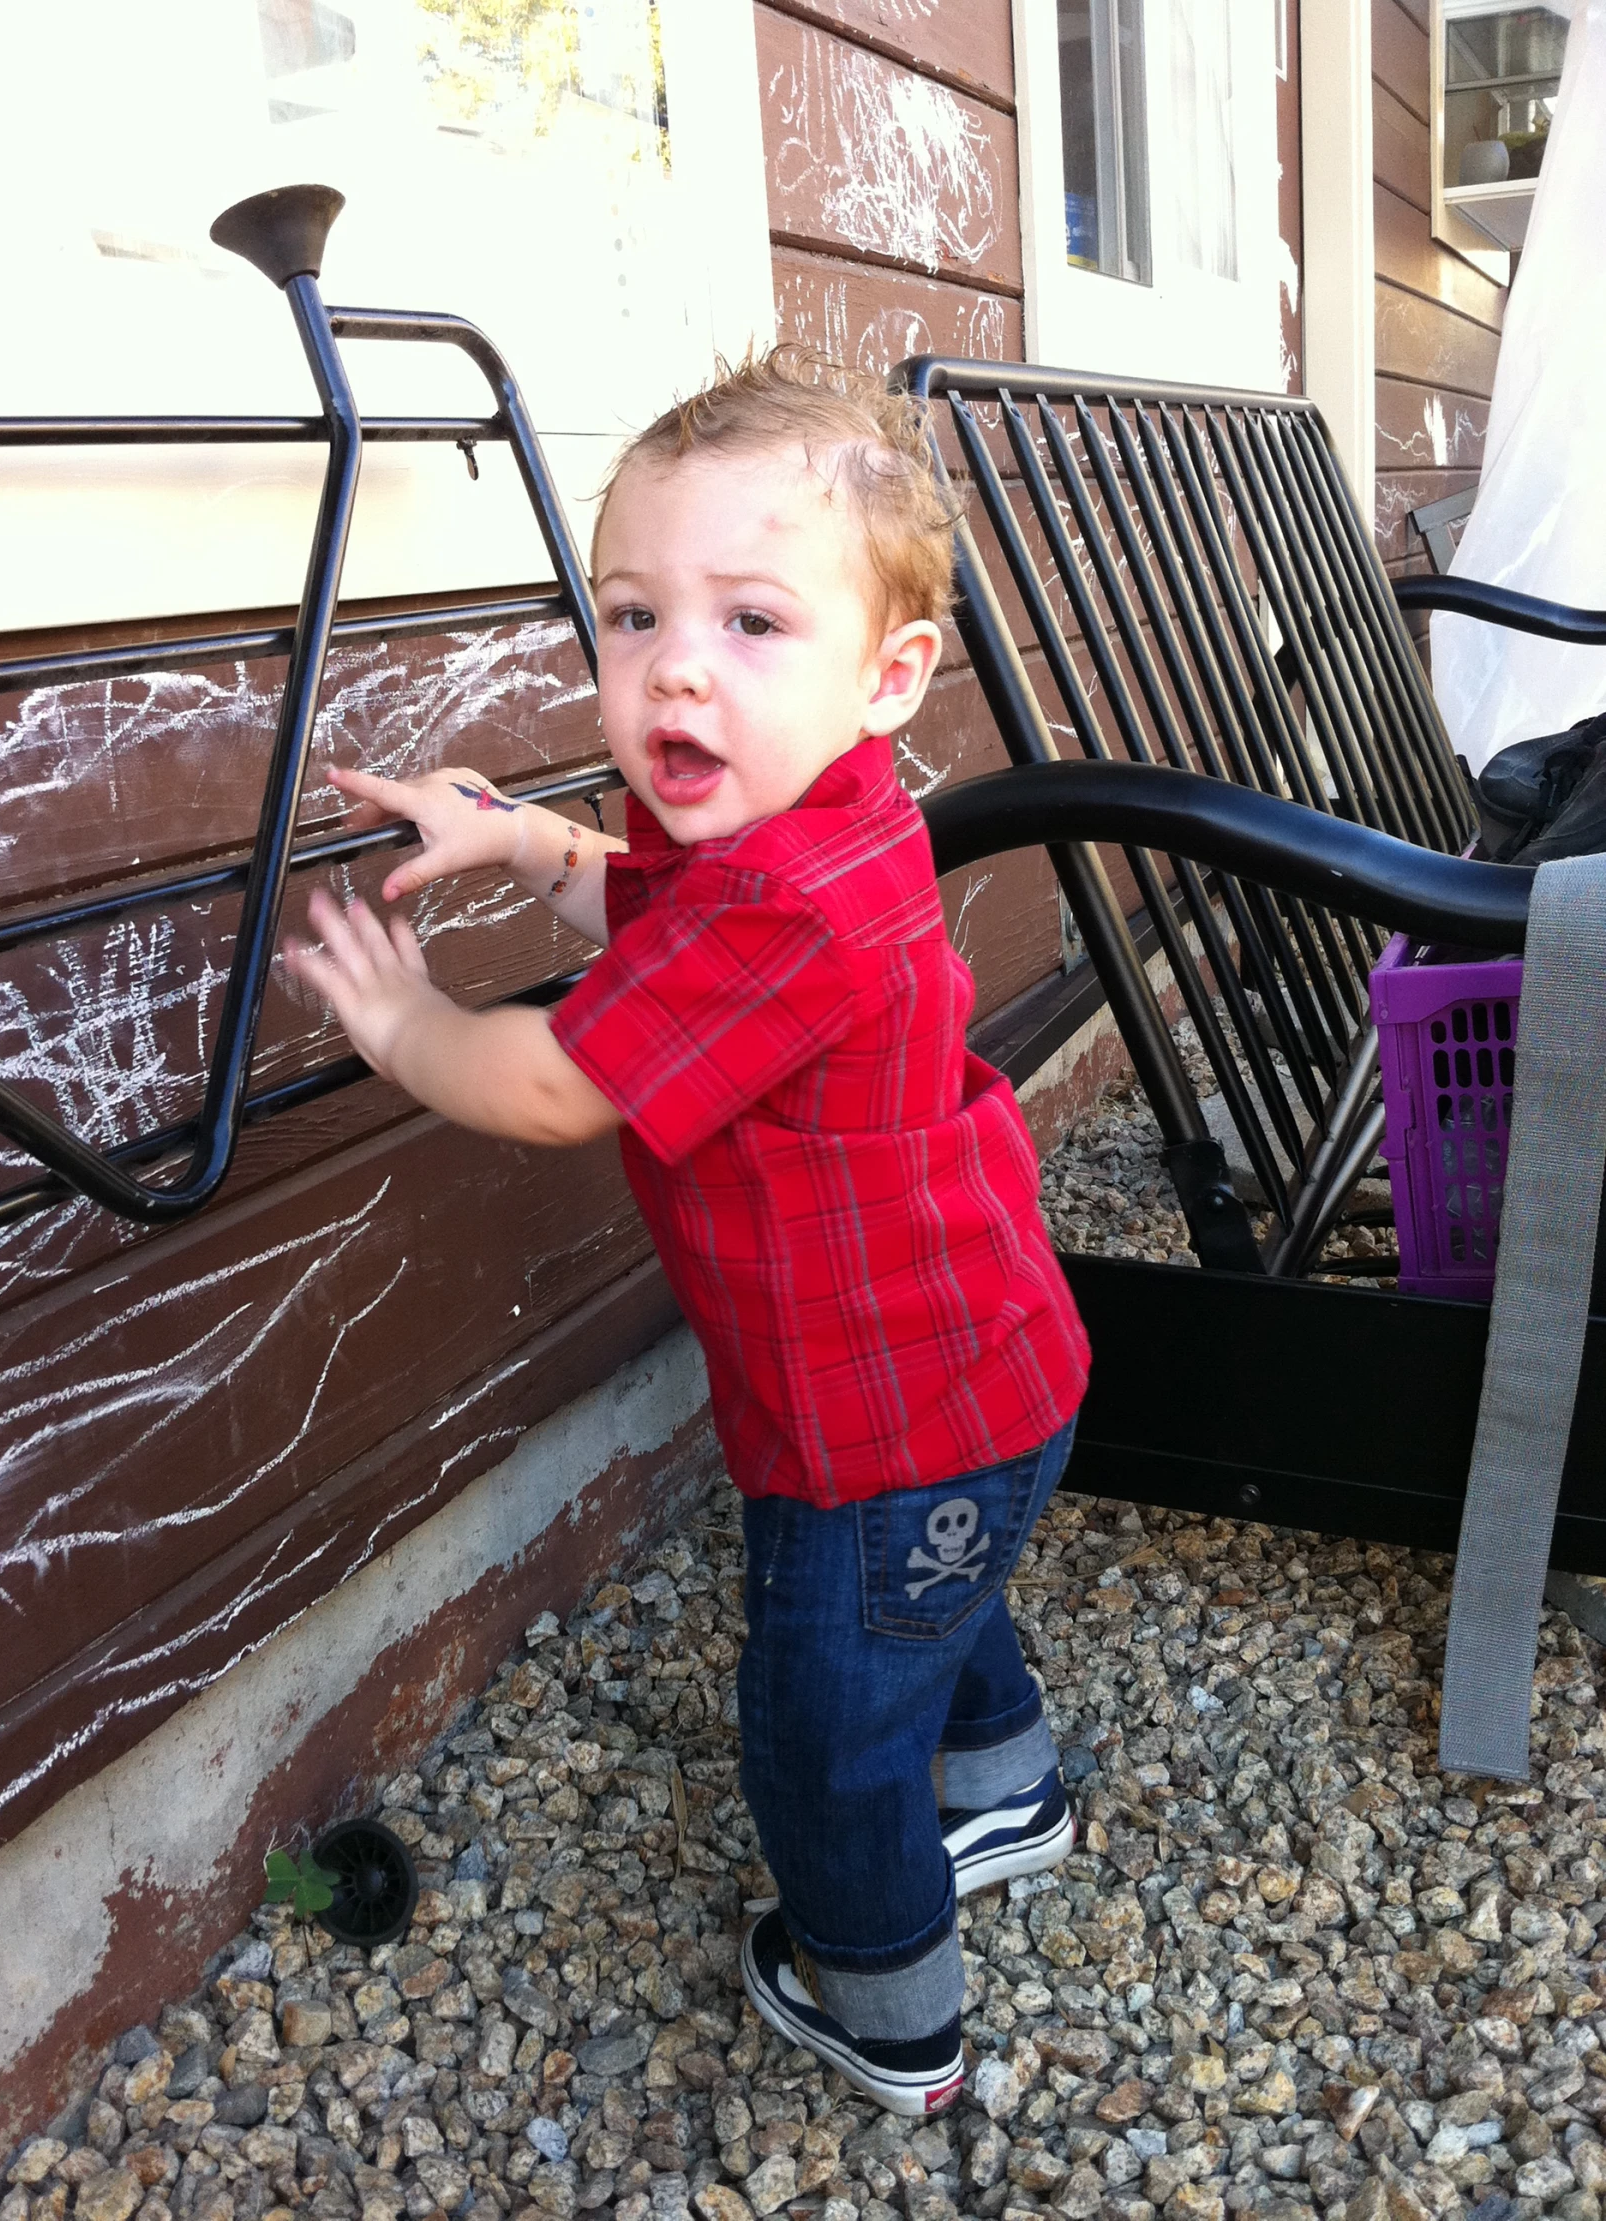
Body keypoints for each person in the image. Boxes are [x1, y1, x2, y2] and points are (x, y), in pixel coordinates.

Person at [284, 351, 1091, 2115]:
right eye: (636, 612)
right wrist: (509, 838)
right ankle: (1006, 1777)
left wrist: (410, 1027)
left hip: (874, 1427)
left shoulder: (782, 911)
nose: (674, 665)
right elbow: (639, 894)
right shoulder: (805, 828)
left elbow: (566, 1082)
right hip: (983, 1370)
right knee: (930, 1607)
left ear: (887, 677)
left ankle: (883, 2004)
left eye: (748, 621)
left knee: (822, 1719)